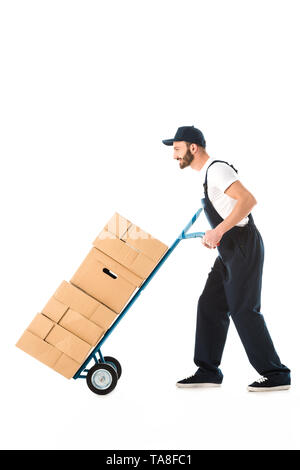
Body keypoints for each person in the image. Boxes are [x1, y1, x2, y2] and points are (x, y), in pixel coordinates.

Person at [162, 125, 291, 392]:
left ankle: (276, 374)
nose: (174, 155)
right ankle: (208, 370)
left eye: (177, 149)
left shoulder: (218, 170)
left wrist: (219, 230)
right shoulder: (207, 176)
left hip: (243, 247)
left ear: (193, 148)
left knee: (243, 309)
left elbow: (248, 200)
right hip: (230, 250)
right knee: (210, 304)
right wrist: (218, 236)